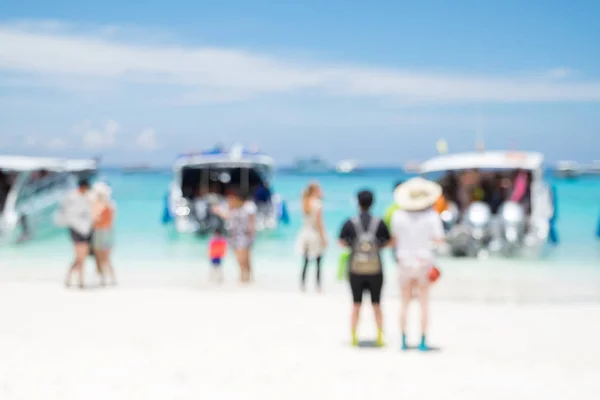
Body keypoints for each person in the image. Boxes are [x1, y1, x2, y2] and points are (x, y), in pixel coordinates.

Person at [391, 177, 445, 351]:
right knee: (423, 303)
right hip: (424, 262)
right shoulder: (431, 216)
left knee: (404, 303)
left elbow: (394, 240)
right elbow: (438, 239)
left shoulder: (398, 215)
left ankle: (404, 340)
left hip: (404, 261)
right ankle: (422, 340)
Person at [339, 190, 392, 348]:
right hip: (376, 269)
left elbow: (342, 242)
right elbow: (388, 242)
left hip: (356, 269)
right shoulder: (379, 222)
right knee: (376, 304)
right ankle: (380, 335)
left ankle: (354, 335)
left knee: (356, 304)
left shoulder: (350, 222)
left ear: (358, 202)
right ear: (372, 203)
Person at [212, 189, 255, 283]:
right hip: (237, 237)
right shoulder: (237, 209)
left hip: (242, 237)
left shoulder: (244, 209)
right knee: (244, 259)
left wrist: (251, 235)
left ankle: (245, 279)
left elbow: (250, 223)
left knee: (242, 260)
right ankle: (246, 279)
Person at [57, 179, 93, 288]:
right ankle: (78, 280)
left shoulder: (85, 197)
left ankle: (72, 279)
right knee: (79, 257)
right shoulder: (71, 197)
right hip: (76, 229)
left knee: (82, 257)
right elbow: (65, 212)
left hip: (85, 229)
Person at [295, 182, 327, 292]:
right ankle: (318, 286)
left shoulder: (305, 202)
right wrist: (323, 238)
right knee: (318, 261)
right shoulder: (318, 204)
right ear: (315, 190)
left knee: (306, 261)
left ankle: (303, 285)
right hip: (314, 234)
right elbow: (319, 223)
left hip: (304, 233)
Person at [91, 181, 117, 286]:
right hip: (107, 232)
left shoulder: (101, 205)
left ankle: (105, 279)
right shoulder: (110, 205)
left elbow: (94, 219)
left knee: (101, 258)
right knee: (105, 259)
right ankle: (109, 279)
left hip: (100, 233)